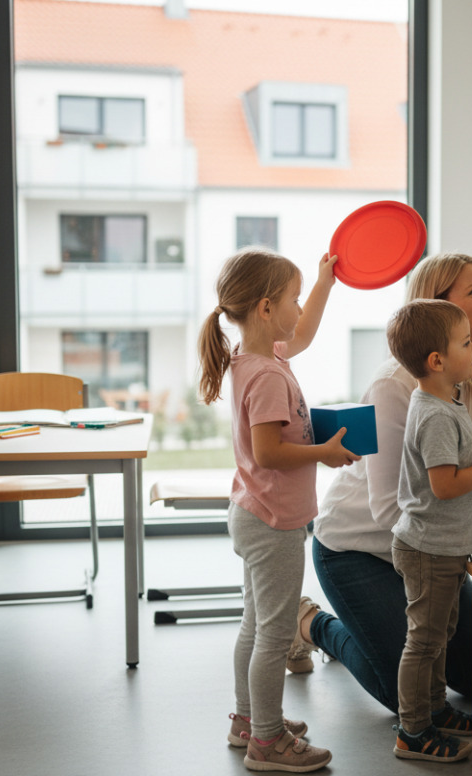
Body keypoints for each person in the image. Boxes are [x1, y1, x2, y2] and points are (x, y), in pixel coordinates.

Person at [294, 254, 472, 715]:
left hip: (433, 546)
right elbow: (391, 510)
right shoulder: (394, 386)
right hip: (360, 549)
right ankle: (314, 625)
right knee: (407, 695)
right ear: (437, 306)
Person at [197, 247, 360, 773]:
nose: (297, 308)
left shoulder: (261, 358)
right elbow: (269, 452)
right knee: (273, 631)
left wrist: (323, 283)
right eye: (291, 299)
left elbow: (305, 330)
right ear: (266, 308)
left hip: (253, 512)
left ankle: (248, 721)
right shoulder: (268, 375)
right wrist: (324, 453)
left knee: (255, 624)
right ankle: (265, 742)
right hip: (273, 522)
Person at [385, 299, 472, 762]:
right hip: (429, 549)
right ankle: (413, 730)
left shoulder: (448, 400)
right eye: (466, 344)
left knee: (438, 635)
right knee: (423, 640)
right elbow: (444, 487)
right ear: (437, 361)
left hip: (444, 547)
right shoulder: (437, 414)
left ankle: (435, 709)